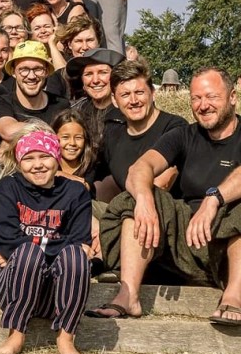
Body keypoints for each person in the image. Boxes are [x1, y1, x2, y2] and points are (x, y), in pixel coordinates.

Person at [96, 66, 241, 324]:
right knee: (135, 198)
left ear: (232, 97)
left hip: (229, 247)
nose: (203, 105)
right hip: (189, 240)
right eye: (196, 98)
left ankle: (234, 296)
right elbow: (141, 167)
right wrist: (144, 199)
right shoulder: (184, 135)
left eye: (211, 97)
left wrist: (214, 198)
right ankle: (129, 295)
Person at [0, 127, 92, 354]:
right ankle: (16, 334)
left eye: (44, 156)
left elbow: (80, 243)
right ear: (19, 162)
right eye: (29, 159)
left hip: (55, 292)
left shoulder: (76, 192)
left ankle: (66, 337)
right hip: (13, 285)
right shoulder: (9, 187)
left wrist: (24, 248)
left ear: (56, 158)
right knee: (28, 254)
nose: (37, 165)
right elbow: (4, 236)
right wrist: (53, 247)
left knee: (74, 256)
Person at [95, 60, 186, 201]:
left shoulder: (175, 128)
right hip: (124, 207)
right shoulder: (112, 132)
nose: (133, 100)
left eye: (139, 92)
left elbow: (161, 185)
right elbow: (96, 176)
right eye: (125, 95)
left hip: (161, 209)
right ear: (114, 100)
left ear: (153, 93)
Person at [0, 40, 71, 142]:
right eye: (24, 69)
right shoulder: (0, 104)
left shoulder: (61, 105)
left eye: (38, 69)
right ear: (13, 72)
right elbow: (9, 132)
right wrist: (49, 131)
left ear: (46, 72)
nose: (31, 76)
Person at [67, 47, 124, 147]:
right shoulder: (75, 112)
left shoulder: (127, 109)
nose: (95, 80)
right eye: (88, 74)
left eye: (103, 72)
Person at [52, 109, 97, 192]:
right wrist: (59, 173)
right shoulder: (48, 162)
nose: (72, 143)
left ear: (86, 140)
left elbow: (84, 187)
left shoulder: (89, 163)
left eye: (78, 138)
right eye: (65, 137)